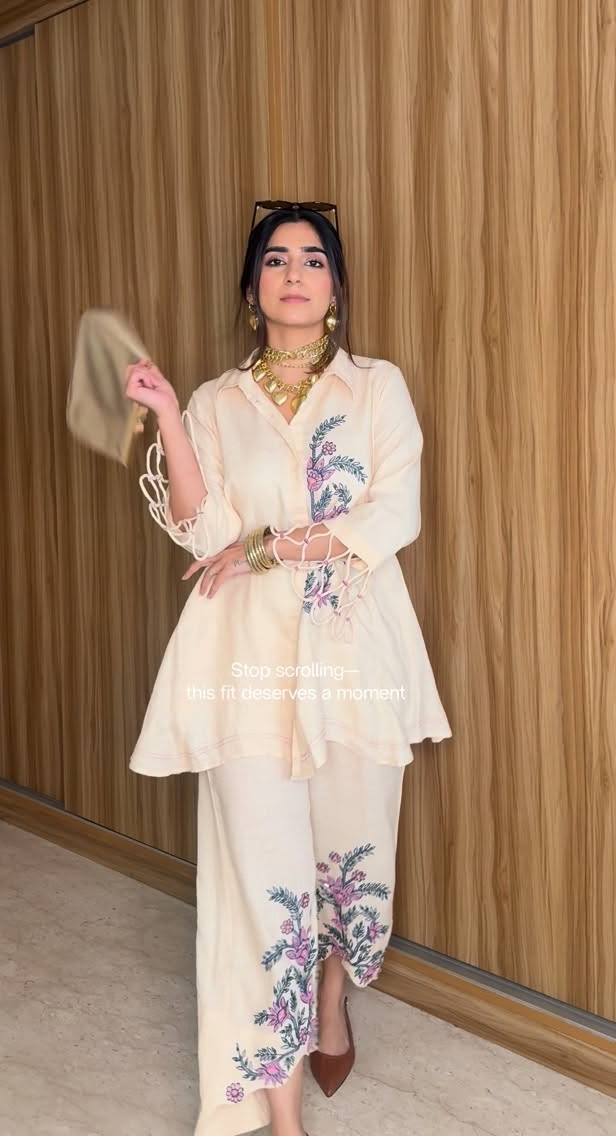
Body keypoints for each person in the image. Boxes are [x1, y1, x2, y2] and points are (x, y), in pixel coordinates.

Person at [125, 202, 451, 1136]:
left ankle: (331, 999)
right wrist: (166, 417)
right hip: (245, 662)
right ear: (252, 286)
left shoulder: (376, 388)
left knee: (354, 855)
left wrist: (271, 547)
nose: (295, 273)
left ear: (336, 287)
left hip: (353, 660)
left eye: (313, 259)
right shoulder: (215, 403)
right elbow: (205, 532)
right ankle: (282, 1117)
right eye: (276, 259)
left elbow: (393, 514)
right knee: (262, 883)